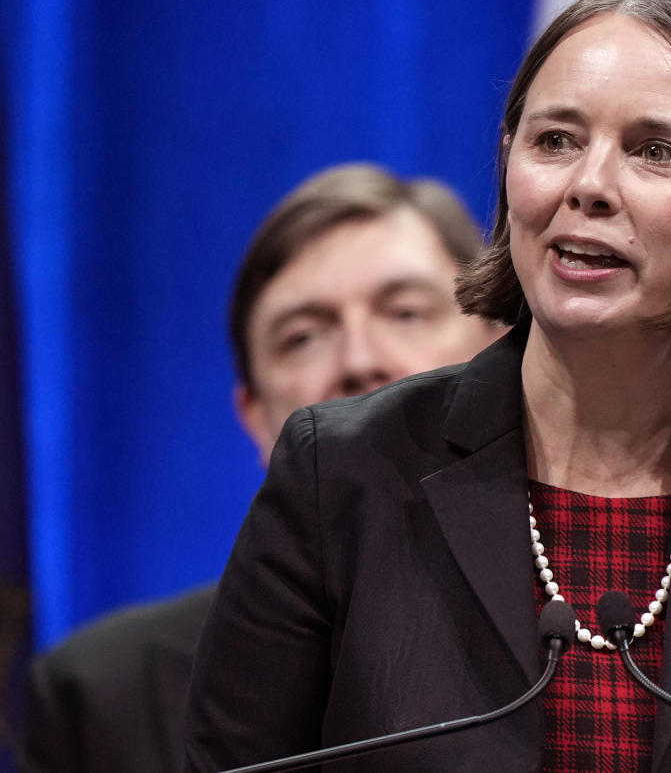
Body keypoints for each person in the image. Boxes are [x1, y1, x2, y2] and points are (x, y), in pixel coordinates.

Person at [185, 0, 671, 772]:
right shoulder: (340, 477)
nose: (587, 186)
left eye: (656, 151)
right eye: (555, 139)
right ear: (508, 165)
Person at [19, 163, 501, 773]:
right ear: (253, 415)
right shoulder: (104, 694)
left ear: (501, 356)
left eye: (405, 312)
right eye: (303, 337)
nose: (359, 360)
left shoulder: (594, 639)